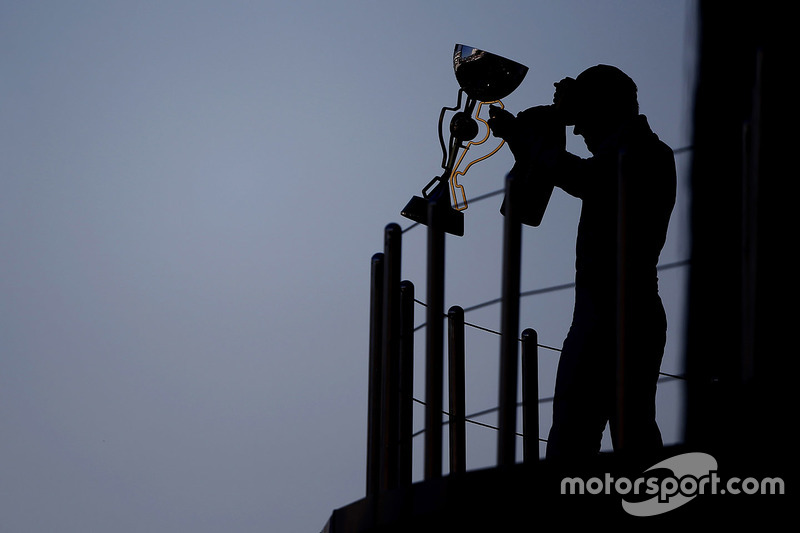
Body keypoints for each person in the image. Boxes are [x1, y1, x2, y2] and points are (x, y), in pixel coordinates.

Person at [489, 65, 676, 464]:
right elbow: (578, 171)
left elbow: (587, 178)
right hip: (601, 313)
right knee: (579, 438)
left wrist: (526, 136)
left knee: (626, 437)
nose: (578, 132)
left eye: (584, 120)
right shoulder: (634, 152)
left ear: (606, 109)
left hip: (624, 314)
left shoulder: (647, 154)